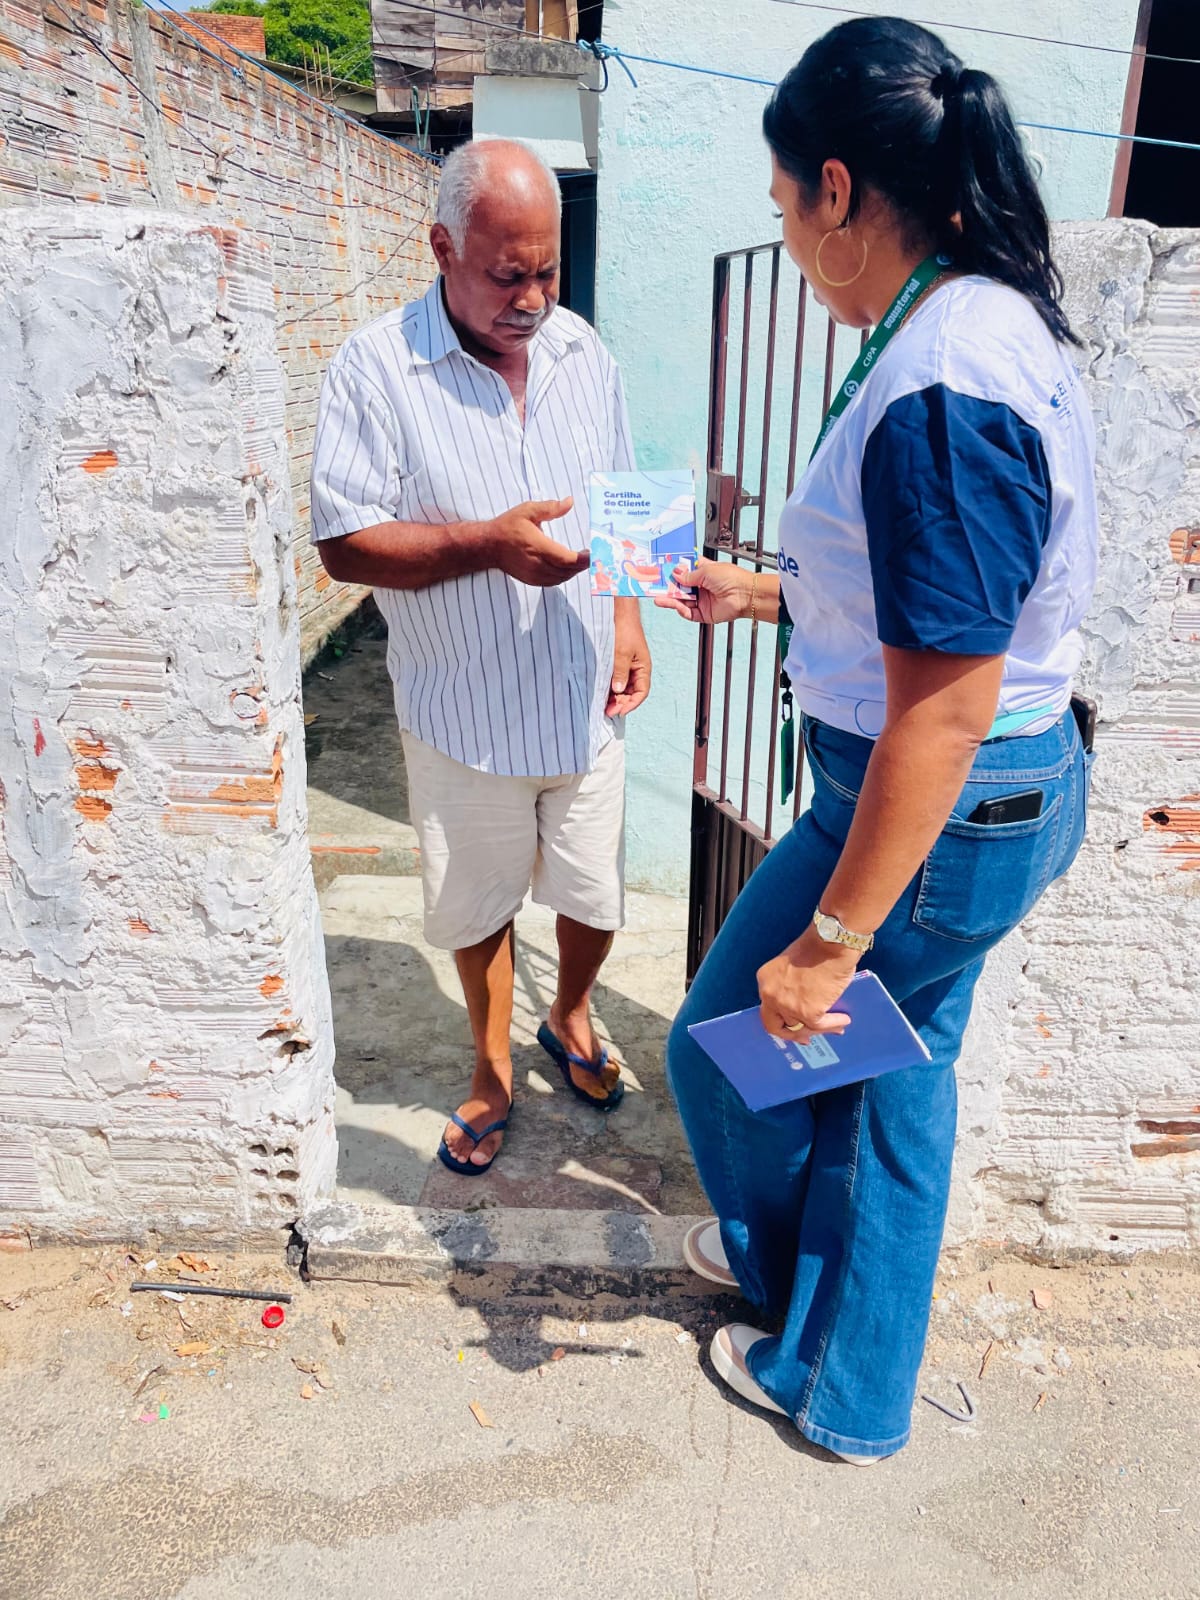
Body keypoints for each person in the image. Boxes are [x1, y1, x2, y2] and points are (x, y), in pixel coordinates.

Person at [658, 17, 1097, 1463]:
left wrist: (836, 937)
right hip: (955, 797)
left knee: (770, 1060)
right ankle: (836, 1354)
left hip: (936, 803)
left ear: (839, 190)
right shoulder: (969, 320)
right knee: (882, 1080)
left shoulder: (944, 383)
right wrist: (770, 592)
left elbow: (954, 696)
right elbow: (943, 608)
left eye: (786, 206)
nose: (786, 236)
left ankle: (835, 1377)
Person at [310, 139, 651, 1175]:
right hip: (461, 707)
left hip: (585, 694)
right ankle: (493, 1071)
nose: (534, 298)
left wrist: (629, 619)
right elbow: (342, 542)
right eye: (509, 274)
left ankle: (575, 1017)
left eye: (547, 270)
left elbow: (626, 498)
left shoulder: (586, 354)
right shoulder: (376, 369)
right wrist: (484, 544)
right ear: (443, 248)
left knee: (592, 894)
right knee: (478, 901)